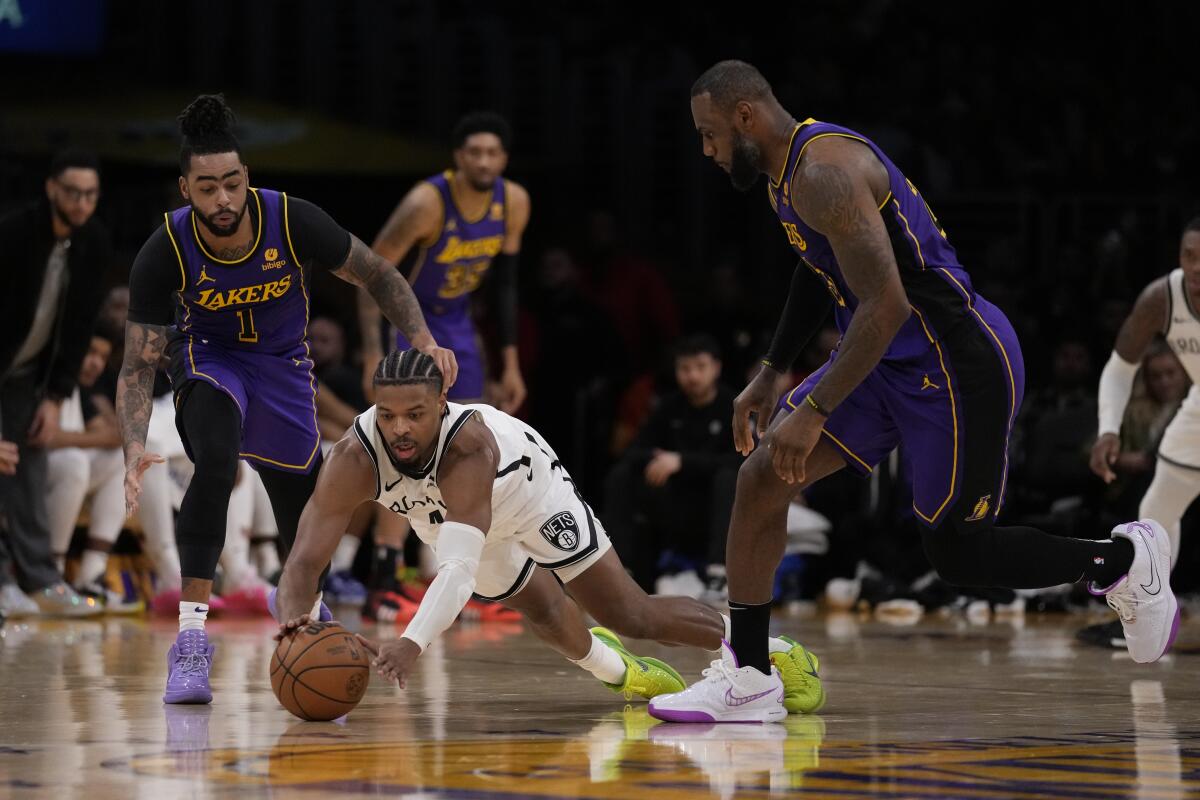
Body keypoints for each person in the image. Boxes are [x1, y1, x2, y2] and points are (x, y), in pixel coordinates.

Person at [650, 60, 1177, 724]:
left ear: (744, 117)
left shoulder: (823, 172)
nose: (707, 150)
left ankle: (1123, 561)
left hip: (954, 361)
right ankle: (750, 676)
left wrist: (812, 409)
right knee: (761, 480)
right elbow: (820, 271)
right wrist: (771, 370)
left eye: (709, 135)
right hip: (882, 359)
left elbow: (888, 303)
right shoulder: (784, 177)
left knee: (956, 550)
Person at [117, 94, 457, 705]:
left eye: (231, 183)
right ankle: (191, 641)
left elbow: (378, 271)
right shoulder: (163, 248)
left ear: (246, 176)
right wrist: (134, 444)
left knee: (308, 511)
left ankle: (307, 618)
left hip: (282, 366)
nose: (221, 200)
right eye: (206, 188)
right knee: (216, 462)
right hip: (209, 359)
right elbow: (139, 362)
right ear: (185, 188)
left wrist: (424, 339)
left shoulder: (291, 219)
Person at [274, 350, 825, 716]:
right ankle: (625, 673)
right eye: (388, 414)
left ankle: (771, 650)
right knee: (544, 614)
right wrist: (295, 625)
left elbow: (458, 571)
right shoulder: (354, 455)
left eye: (415, 414)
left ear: (441, 405)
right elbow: (303, 562)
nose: (399, 428)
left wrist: (413, 641)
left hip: (529, 494)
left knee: (630, 613)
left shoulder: (469, 447)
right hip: (456, 521)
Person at [0, 149, 111, 619]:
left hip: (30, 374)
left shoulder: (95, 244)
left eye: (91, 194)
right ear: (51, 188)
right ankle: (4, 582)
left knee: (29, 461)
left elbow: (79, 327)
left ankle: (41, 582)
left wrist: (55, 396)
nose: (82, 203)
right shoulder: (13, 234)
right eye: (73, 192)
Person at [360, 111, 530, 412]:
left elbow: (506, 286)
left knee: (472, 419)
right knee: (412, 416)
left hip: (458, 315)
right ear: (458, 156)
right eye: (475, 153)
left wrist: (510, 366)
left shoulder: (514, 201)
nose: (483, 162)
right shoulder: (426, 202)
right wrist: (371, 353)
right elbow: (370, 273)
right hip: (409, 315)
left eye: (492, 153)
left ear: (504, 158)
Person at [1085, 219, 1200, 648]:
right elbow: (1120, 367)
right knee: (1154, 512)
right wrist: (1109, 429)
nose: (1197, 267)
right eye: (1189, 256)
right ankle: (1149, 617)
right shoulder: (1161, 298)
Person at [604, 334, 742, 597]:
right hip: (676, 501)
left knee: (728, 477)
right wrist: (659, 460)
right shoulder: (669, 406)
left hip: (716, 502)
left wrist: (682, 461)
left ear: (716, 368)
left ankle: (718, 574)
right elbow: (633, 451)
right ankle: (619, 571)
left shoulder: (731, 405)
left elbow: (740, 459)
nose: (692, 376)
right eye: (685, 368)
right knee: (621, 476)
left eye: (700, 367)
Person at [44, 328, 142, 612]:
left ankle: (92, 574)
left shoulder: (81, 391)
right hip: (27, 471)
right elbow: (46, 438)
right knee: (73, 461)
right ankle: (53, 572)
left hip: (62, 474)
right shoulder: (48, 380)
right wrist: (97, 438)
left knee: (124, 463)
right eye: (90, 353)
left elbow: (115, 435)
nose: (96, 363)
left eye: (102, 356)